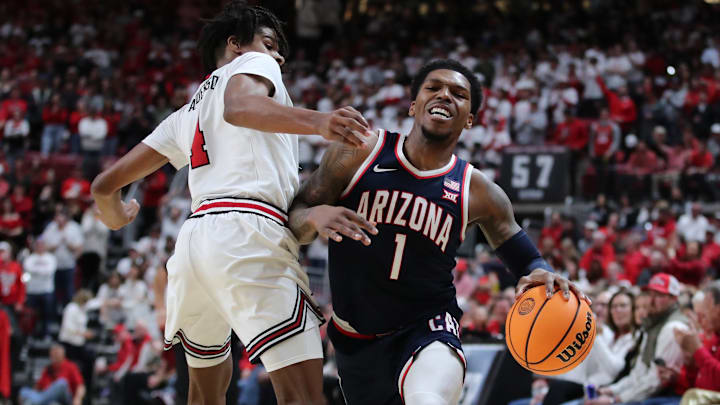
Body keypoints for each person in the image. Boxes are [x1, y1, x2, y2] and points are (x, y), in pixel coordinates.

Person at [90, 2, 372, 404]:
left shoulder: (186, 112)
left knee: (204, 397)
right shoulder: (251, 66)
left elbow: (104, 186)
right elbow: (240, 108)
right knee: (304, 398)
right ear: (236, 45)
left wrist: (118, 217)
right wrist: (319, 122)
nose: (277, 57)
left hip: (193, 245)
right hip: (248, 232)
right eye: (269, 44)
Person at [287, 59, 588, 405]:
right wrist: (315, 216)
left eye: (459, 94)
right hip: (355, 339)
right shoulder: (357, 151)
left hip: (429, 327)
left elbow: (529, 261)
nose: (445, 95)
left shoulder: (478, 192)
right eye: (434, 88)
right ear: (414, 105)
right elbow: (295, 219)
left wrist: (545, 275)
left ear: (470, 119)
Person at [596, 273, 689, 404]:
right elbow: (638, 373)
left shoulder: (672, 327)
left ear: (673, 299)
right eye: (651, 294)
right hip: (649, 394)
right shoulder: (652, 325)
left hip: (669, 396)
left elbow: (656, 381)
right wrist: (612, 390)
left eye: (659, 295)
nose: (651, 300)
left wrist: (616, 399)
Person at [673, 281, 720, 404]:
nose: (700, 320)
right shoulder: (714, 337)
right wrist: (690, 365)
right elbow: (698, 385)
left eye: (706, 311)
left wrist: (698, 350)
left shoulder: (703, 341)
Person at [19, 344, 85, 405]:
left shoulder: (70, 366)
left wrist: (78, 399)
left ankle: (37, 400)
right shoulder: (48, 368)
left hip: (66, 400)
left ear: (62, 354)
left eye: (56, 353)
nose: (54, 355)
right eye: (52, 353)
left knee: (61, 383)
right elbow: (38, 387)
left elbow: (81, 386)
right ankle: (36, 400)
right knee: (24, 392)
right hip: (50, 400)